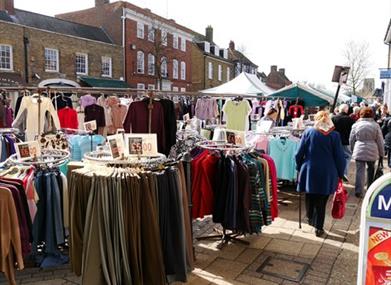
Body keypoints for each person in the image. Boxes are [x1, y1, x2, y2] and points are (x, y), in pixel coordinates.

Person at [295, 111, 346, 237]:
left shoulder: (308, 132)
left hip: (309, 170)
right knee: (321, 201)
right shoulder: (334, 135)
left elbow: (298, 154)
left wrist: (299, 166)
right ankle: (319, 227)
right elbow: (340, 157)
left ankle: (310, 218)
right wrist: (340, 173)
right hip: (328, 172)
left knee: (310, 195)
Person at [350, 107, 384, 198]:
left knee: (359, 171)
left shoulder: (355, 125)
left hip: (359, 149)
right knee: (371, 170)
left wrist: (353, 150)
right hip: (372, 150)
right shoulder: (375, 125)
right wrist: (382, 153)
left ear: (361, 114)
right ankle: (370, 189)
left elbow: (351, 140)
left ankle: (359, 191)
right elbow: (380, 141)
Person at [331, 104, 355, 181]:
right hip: (346, 141)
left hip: (335, 141)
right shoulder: (350, 120)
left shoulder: (333, 118)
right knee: (347, 156)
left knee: (335, 157)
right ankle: (343, 173)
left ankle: (336, 173)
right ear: (346, 110)